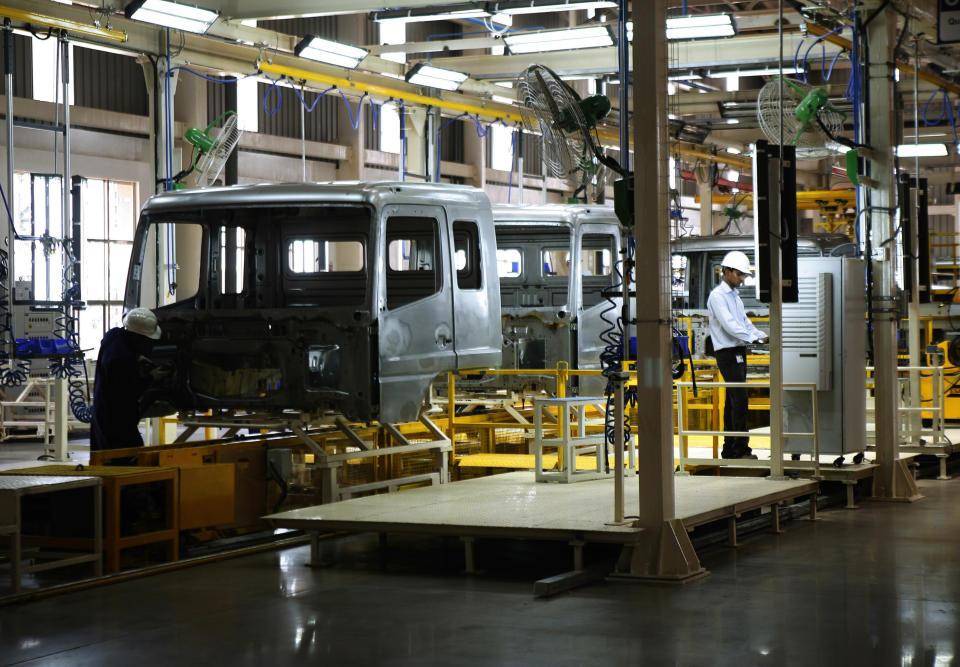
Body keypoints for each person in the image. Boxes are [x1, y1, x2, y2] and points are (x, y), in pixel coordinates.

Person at [707, 251, 769, 460]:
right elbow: (730, 325)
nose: (742, 279)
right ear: (727, 271)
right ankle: (741, 449)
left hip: (738, 351)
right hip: (726, 352)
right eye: (739, 275)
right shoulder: (717, 296)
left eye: (743, 275)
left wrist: (761, 335)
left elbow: (744, 322)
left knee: (734, 400)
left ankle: (730, 449)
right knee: (740, 399)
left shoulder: (735, 297)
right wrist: (753, 339)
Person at [90, 308, 162, 451]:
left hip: (102, 413)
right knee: (125, 459)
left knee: (104, 455)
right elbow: (129, 390)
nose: (148, 345)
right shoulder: (121, 361)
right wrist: (151, 377)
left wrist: (137, 358)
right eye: (146, 341)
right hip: (117, 420)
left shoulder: (113, 335)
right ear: (137, 337)